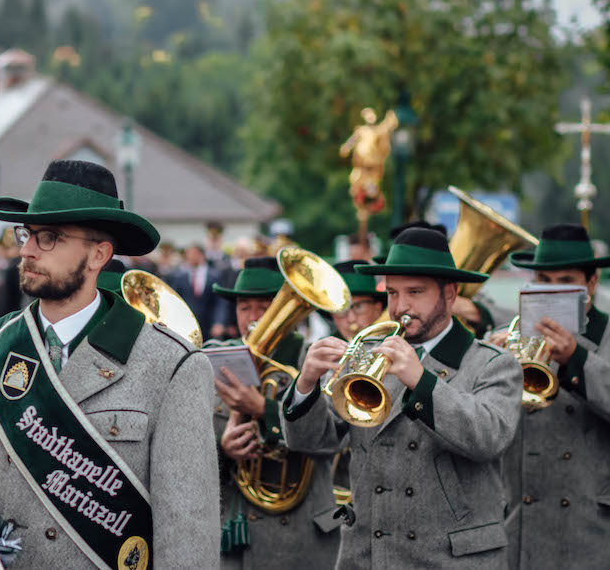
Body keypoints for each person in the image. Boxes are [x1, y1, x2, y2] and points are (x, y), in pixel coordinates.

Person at [0, 160, 220, 568]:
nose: (26, 250)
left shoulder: (170, 366)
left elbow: (187, 530)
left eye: (50, 238)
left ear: (98, 254)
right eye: (26, 234)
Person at [281, 227, 523, 568]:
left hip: (454, 560)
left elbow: (489, 437)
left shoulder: (493, 363)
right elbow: (314, 442)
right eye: (392, 293)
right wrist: (306, 385)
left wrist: (421, 382)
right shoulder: (367, 355)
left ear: (450, 294)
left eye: (415, 292)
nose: (400, 307)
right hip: (369, 556)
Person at [206, 257, 340, 569]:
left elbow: (331, 440)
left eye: (264, 306)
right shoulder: (214, 357)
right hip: (232, 531)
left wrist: (263, 410)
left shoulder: (316, 359)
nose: (253, 318)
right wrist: (222, 450)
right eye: (244, 307)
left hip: (299, 536)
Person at [495, 223, 610, 568]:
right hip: (521, 523)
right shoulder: (508, 335)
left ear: (590, 284)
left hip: (591, 526)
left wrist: (576, 358)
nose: (553, 292)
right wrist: (491, 363)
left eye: (565, 282)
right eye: (543, 281)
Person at [326, 260, 387, 341]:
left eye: (359, 307)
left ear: (378, 307)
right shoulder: (324, 346)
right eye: (341, 311)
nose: (351, 319)